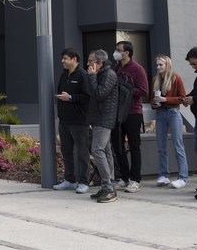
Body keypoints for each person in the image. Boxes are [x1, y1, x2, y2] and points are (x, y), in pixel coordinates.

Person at [111, 40, 149, 193]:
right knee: (118, 146)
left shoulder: (137, 69)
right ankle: (124, 177)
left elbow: (144, 91)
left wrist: (127, 90)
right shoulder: (116, 68)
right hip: (117, 113)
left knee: (134, 146)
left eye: (118, 50)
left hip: (133, 112)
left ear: (126, 52)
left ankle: (135, 179)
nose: (116, 52)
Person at [53, 48, 91, 194]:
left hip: (79, 121)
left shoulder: (83, 75)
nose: (62, 61)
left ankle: (83, 182)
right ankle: (69, 180)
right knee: (66, 151)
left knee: (82, 152)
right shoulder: (64, 75)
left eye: (65, 58)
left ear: (74, 59)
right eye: (62, 58)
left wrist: (70, 97)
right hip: (64, 120)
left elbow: (87, 97)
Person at [150, 54, 189, 188]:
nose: (158, 67)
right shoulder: (155, 79)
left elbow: (182, 98)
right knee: (161, 147)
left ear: (168, 65)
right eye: (157, 65)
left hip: (173, 113)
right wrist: (155, 104)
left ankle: (182, 177)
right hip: (160, 113)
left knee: (178, 145)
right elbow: (151, 99)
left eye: (161, 64)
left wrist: (165, 99)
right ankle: (163, 175)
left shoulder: (176, 78)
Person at [86, 49, 119, 203]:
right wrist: (92, 77)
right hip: (98, 117)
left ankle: (108, 187)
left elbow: (100, 94)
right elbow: (92, 93)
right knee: (105, 151)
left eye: (90, 61)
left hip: (104, 118)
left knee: (97, 150)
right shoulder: (100, 74)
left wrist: (92, 77)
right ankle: (108, 185)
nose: (88, 64)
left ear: (99, 63)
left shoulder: (109, 74)